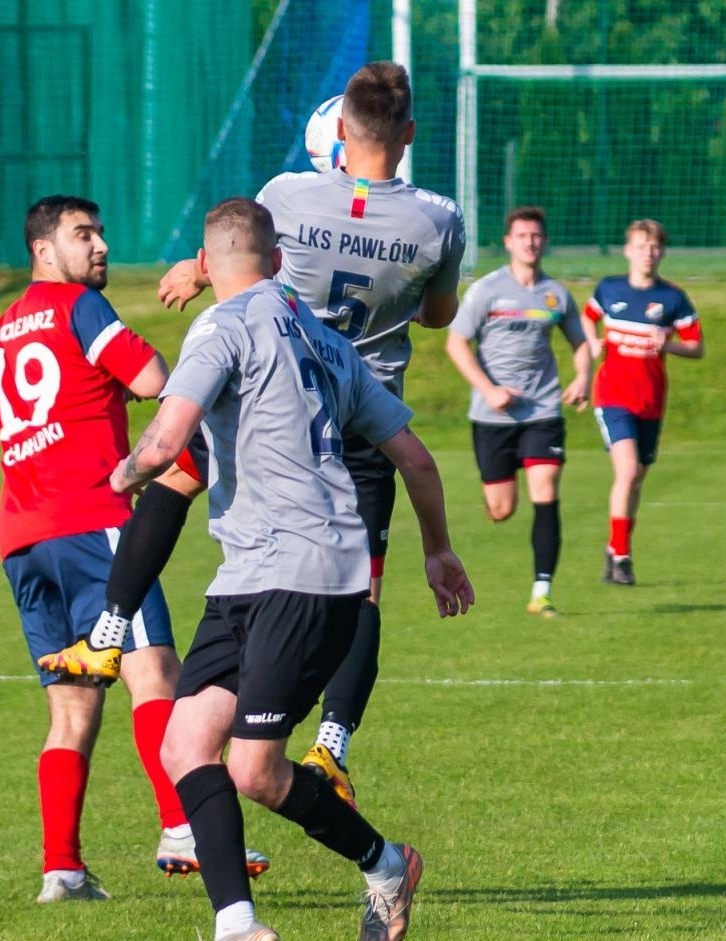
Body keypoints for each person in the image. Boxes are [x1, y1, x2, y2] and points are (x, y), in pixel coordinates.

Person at [41, 60, 463, 810]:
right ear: (410, 134)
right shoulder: (438, 219)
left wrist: (199, 271)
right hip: (360, 411)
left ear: (336, 132)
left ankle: (109, 629)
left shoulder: (287, 195)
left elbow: (249, 256)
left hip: (272, 386)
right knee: (361, 587)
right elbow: (436, 316)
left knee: (173, 479)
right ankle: (332, 746)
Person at [107, 197, 473, 941]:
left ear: (206, 265)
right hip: (253, 574)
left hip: (299, 576)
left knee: (254, 770)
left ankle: (384, 864)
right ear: (276, 262)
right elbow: (412, 457)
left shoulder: (220, 328)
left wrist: (121, 476)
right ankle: (240, 928)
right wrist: (438, 552)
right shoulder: (330, 343)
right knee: (185, 745)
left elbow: (166, 442)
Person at [0, 195, 266, 902]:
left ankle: (61, 868)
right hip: (96, 524)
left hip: (22, 542)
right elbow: (157, 384)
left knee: (72, 706)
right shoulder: (79, 309)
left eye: (100, 231)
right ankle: (181, 824)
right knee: (153, 672)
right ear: (43, 250)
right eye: (82, 234)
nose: (99, 245)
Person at [445, 206, 591, 618]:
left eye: (536, 235)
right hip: (493, 418)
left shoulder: (556, 294)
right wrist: (489, 390)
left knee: (545, 491)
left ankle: (541, 591)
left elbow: (581, 343)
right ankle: (496, 505)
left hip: (543, 409)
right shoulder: (487, 291)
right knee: (502, 508)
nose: (530, 242)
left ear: (544, 241)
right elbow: (456, 344)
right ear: (508, 242)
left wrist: (582, 378)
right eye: (522, 235)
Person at [582, 219, 703, 586]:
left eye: (654, 247)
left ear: (662, 252)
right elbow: (587, 319)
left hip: (650, 402)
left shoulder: (673, 298)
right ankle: (621, 558)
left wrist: (666, 345)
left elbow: (697, 346)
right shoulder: (610, 289)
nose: (647, 253)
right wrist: (592, 344)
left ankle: (616, 545)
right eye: (640, 246)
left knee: (636, 480)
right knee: (629, 470)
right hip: (612, 396)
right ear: (627, 250)